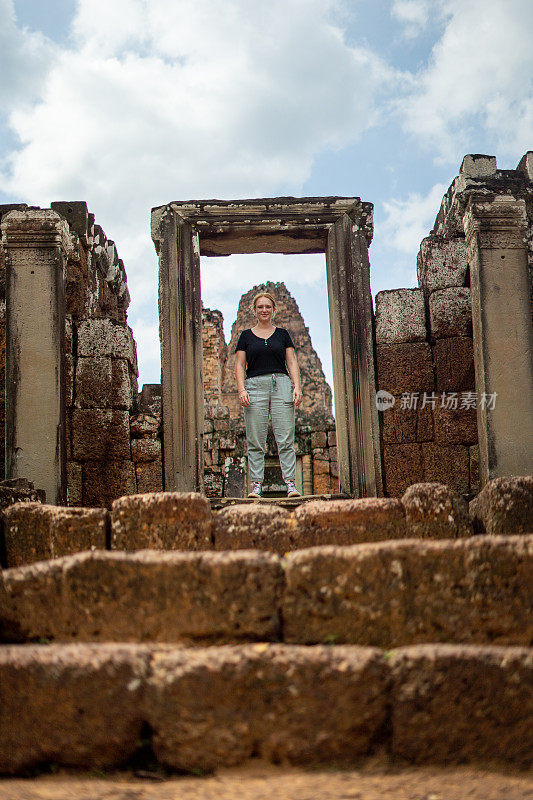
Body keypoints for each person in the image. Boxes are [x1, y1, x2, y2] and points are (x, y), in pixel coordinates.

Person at [235, 291, 303, 498]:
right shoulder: (245, 336)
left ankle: (290, 484)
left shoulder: (282, 334)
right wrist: (241, 390)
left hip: (281, 384)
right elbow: (239, 365)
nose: (264, 310)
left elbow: (291, 362)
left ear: (273, 310)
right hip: (254, 386)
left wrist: (297, 386)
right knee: (256, 438)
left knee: (285, 437)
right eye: (260, 307)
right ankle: (257, 485)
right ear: (254, 310)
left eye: (267, 307)